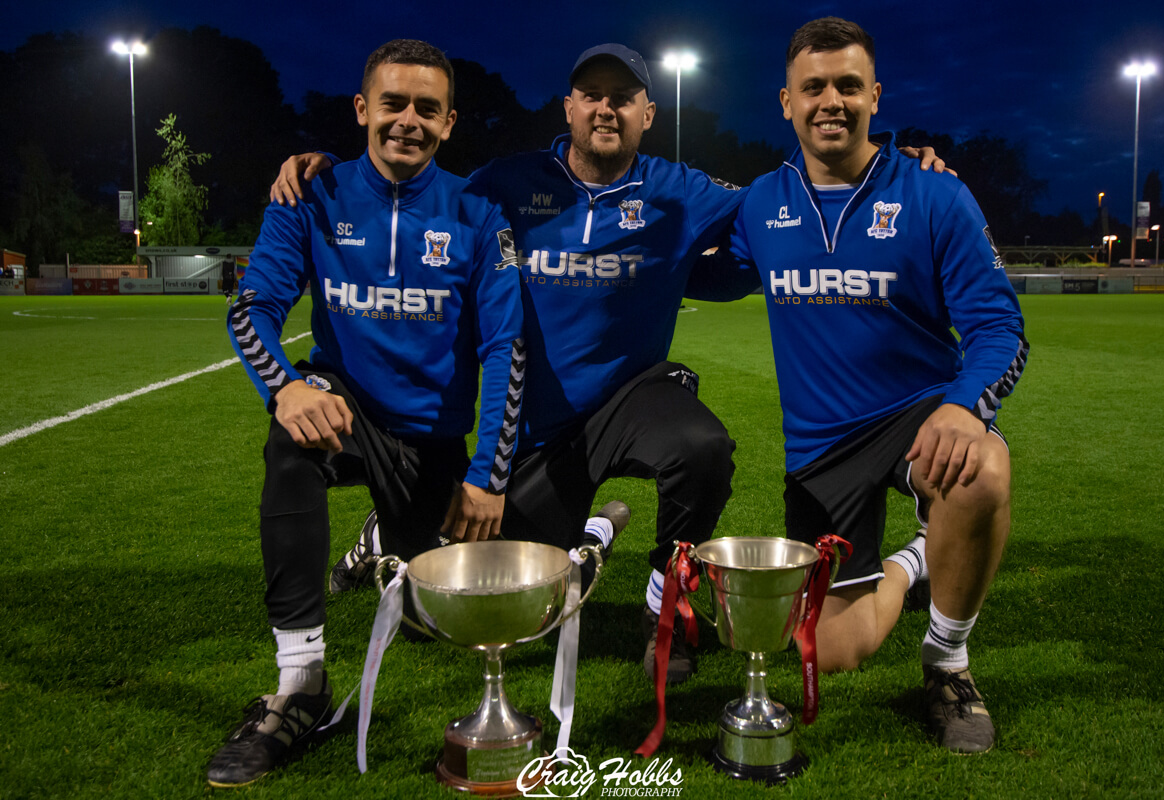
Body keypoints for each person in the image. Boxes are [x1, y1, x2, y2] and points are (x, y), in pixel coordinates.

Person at [271, 43, 949, 686]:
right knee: (489, 611)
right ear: (567, 107)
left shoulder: (683, 190)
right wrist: (325, 169)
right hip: (536, 433)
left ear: (646, 116)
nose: (605, 109)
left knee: (702, 447)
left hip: (629, 400)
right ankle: (396, 533)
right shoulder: (504, 184)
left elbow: (790, 202)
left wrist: (884, 164)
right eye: (591, 96)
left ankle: (668, 606)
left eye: (622, 99)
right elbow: (419, 193)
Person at [694, 17, 1028, 753]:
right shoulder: (760, 204)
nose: (831, 101)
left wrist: (962, 408)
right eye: (813, 87)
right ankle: (916, 559)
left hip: (918, 417)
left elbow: (1000, 327)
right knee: (829, 652)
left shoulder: (935, 194)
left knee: (980, 472)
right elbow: (694, 272)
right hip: (822, 449)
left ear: (876, 95)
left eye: (849, 85)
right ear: (786, 101)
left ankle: (947, 663)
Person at [208, 39, 524, 788]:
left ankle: (384, 537)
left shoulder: (480, 214)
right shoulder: (309, 195)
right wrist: (287, 388)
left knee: (438, 617)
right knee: (291, 446)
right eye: (392, 103)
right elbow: (252, 307)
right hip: (343, 411)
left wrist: (487, 474)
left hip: (432, 443)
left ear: (449, 123)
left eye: (426, 108)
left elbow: (509, 349)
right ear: (362, 110)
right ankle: (299, 684)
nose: (407, 121)